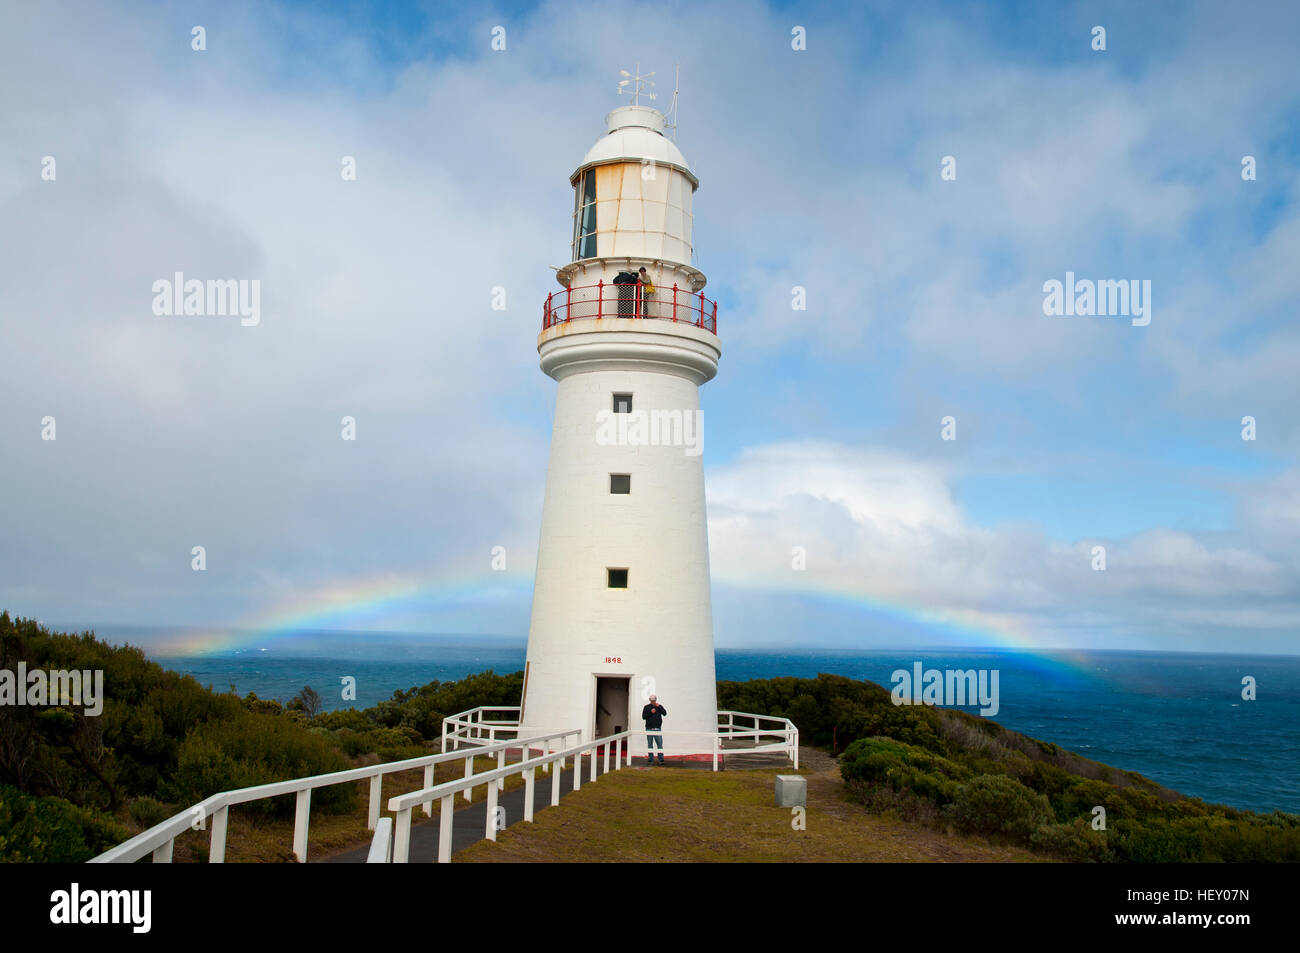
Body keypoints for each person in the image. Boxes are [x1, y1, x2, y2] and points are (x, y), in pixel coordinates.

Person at [642, 694, 667, 765]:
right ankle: (650, 759)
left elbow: (665, 713)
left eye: (654, 700)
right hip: (649, 728)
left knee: (659, 744)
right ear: (650, 700)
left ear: (656, 700)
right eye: (652, 700)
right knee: (650, 745)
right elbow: (643, 717)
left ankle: (661, 759)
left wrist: (659, 706)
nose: (653, 702)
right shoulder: (646, 707)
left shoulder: (659, 706)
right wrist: (650, 712)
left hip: (657, 729)